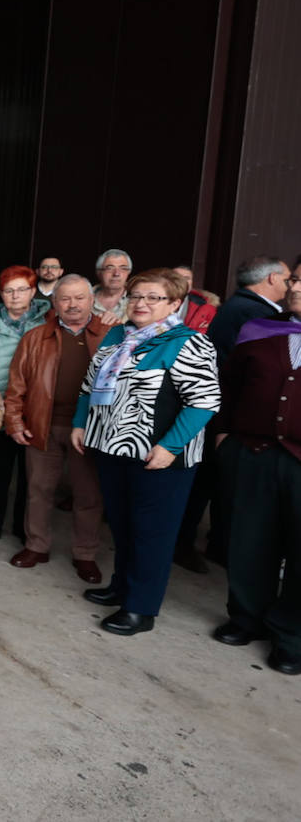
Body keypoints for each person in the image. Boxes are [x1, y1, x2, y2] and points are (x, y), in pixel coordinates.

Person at [73, 268, 220, 636]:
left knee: (151, 532)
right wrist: (81, 423)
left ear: (174, 303)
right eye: (136, 296)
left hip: (159, 456)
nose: (141, 304)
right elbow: (90, 386)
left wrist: (170, 447)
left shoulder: (189, 342)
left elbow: (204, 402)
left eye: (153, 297)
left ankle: (140, 608)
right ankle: (122, 587)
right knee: (122, 524)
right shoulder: (118, 335)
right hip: (112, 447)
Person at [178, 255, 293, 572]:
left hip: (223, 412)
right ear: (271, 279)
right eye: (289, 278)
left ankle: (211, 543)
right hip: (229, 415)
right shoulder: (254, 314)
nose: (291, 286)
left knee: (212, 482)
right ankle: (193, 544)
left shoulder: (242, 308)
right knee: (210, 483)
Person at [212, 277, 301, 675]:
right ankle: (246, 617)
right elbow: (228, 385)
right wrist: (224, 432)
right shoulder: (259, 329)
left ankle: (291, 636)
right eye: (296, 278)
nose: (296, 285)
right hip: (254, 452)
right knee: (249, 540)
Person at [4, 274, 109, 581]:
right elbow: (16, 385)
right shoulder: (35, 337)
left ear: (92, 301)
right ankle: (37, 545)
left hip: (89, 430)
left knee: (88, 494)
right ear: (54, 303)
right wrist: (14, 422)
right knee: (39, 490)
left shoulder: (112, 335)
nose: (72, 304)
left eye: (79, 297)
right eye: (65, 298)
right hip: (43, 425)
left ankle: (85, 554)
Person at [0, 265, 50, 546]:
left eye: (21, 289)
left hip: (36, 409)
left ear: (33, 291)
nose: (15, 296)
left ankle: (23, 528)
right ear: (1, 294)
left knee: (32, 476)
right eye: (8, 290)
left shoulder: (47, 322)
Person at [172, 265, 218, 334]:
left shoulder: (207, 307)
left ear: (192, 282)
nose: (182, 281)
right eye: (177, 277)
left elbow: (208, 335)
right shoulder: (155, 303)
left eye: (187, 278)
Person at [92, 249, 132, 325]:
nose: (116, 273)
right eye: (109, 268)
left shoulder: (139, 299)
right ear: (99, 272)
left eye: (123, 268)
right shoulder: (83, 298)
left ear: (128, 272)